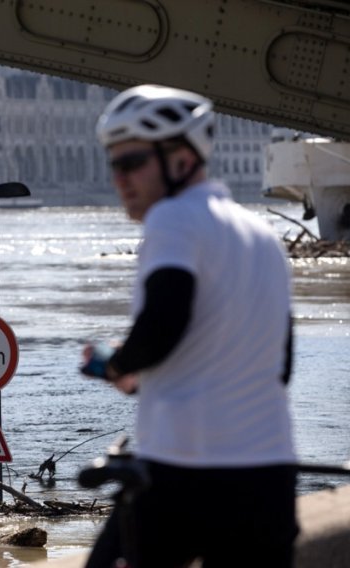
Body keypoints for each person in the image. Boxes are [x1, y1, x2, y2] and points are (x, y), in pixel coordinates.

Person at [80, 84, 298, 568]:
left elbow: (165, 320)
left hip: (185, 472)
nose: (119, 178)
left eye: (131, 162)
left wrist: (117, 363)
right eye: (113, 164)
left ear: (181, 158)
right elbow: (277, 364)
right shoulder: (264, 237)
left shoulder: (172, 219)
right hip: (269, 478)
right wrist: (144, 376)